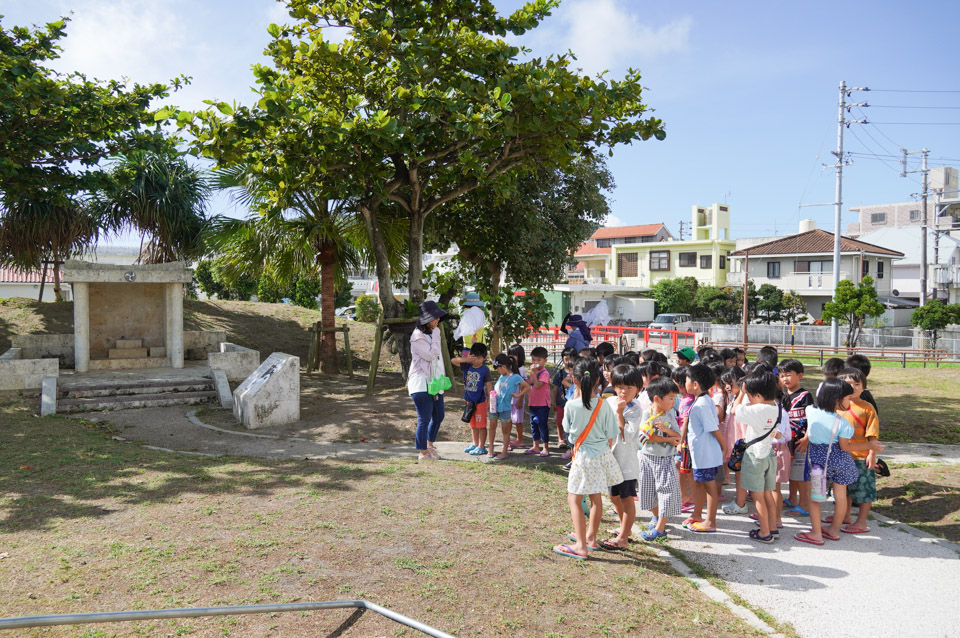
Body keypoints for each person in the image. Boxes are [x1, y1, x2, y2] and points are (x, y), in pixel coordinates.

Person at [793, 378, 883, 546]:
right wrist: (869, 445)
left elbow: (820, 390)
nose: (850, 401)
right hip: (841, 460)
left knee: (815, 498)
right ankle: (834, 530)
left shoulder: (810, 411)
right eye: (847, 398)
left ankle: (816, 533)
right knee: (840, 496)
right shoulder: (843, 422)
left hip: (819, 463)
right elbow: (845, 446)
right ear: (836, 399)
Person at [552, 358, 623, 560]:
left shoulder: (572, 406)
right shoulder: (604, 404)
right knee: (595, 498)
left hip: (584, 456)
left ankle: (581, 545)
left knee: (574, 498)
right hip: (602, 454)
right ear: (598, 379)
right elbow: (611, 433)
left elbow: (568, 432)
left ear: (574, 380)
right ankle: (590, 538)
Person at [733, 370, 784, 543]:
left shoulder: (757, 409)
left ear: (759, 395)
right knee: (768, 494)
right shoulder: (775, 406)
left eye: (750, 395)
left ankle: (764, 532)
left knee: (758, 497)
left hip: (755, 456)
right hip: (769, 455)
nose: (748, 398)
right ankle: (772, 527)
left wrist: (740, 393)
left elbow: (734, 410)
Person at [600, 364, 644, 550]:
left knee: (627, 498)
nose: (623, 392)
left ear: (638, 389)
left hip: (626, 462)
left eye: (629, 388)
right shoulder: (609, 402)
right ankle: (623, 527)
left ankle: (624, 538)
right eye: (620, 387)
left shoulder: (635, 409)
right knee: (613, 495)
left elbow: (625, 434)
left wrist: (619, 413)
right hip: (611, 459)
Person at [834, 367, 881, 534]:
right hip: (840, 456)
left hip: (860, 457)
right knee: (843, 489)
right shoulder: (837, 405)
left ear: (864, 386)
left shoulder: (867, 408)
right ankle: (844, 516)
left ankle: (861, 521)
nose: (852, 387)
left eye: (856, 384)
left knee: (863, 491)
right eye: (848, 384)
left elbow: (872, 434)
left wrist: (872, 454)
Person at [637, 377, 683, 541]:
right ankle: (656, 517)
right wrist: (667, 439)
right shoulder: (646, 413)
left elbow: (678, 437)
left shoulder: (670, 415)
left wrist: (666, 431)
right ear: (657, 398)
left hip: (664, 459)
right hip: (647, 457)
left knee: (666, 492)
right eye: (671, 398)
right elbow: (645, 438)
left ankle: (660, 528)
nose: (674, 402)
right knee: (647, 492)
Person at [683, 364, 726, 533]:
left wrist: (724, 446)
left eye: (686, 380)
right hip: (702, 453)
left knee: (709, 487)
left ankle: (710, 521)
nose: (684, 382)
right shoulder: (704, 400)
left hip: (706, 454)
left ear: (695, 384)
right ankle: (697, 514)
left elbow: (713, 427)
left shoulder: (701, 404)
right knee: (700, 484)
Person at [408, 300, 450, 461]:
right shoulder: (417, 337)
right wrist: (436, 338)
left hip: (435, 381)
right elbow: (431, 355)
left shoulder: (435, 332)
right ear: (427, 319)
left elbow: (436, 356)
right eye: (435, 317)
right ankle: (423, 452)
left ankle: (429, 445)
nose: (438, 320)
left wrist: (436, 336)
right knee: (424, 418)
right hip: (420, 382)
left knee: (439, 415)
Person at [779, 359, 814, 516]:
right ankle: (792, 499)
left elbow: (812, 419)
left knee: (801, 474)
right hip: (788, 442)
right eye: (781, 375)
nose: (785, 379)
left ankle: (805, 504)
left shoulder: (805, 396)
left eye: (788, 375)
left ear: (800, 375)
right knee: (792, 473)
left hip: (801, 442)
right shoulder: (782, 395)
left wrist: (807, 438)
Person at [451, 342, 493, 456]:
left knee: (481, 425)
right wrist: (466, 359)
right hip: (469, 401)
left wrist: (490, 400)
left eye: (479, 358)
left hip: (480, 401)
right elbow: (453, 361)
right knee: (473, 425)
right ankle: (475, 444)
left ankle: (482, 446)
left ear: (484, 358)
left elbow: (489, 385)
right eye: (474, 357)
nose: (476, 360)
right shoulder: (467, 366)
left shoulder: (485, 370)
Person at [488, 354, 529, 460]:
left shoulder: (515, 377)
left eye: (498, 369)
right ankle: (490, 449)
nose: (498, 371)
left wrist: (519, 395)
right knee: (492, 427)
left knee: (506, 430)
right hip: (494, 406)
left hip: (505, 407)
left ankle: (504, 451)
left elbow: (526, 386)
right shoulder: (502, 376)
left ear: (504, 367)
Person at [720, 367, 749, 515]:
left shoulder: (744, 398)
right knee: (738, 473)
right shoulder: (735, 398)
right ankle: (739, 500)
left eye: (729, 383)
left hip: (742, 444)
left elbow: (734, 412)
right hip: (737, 443)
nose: (726, 387)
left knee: (741, 474)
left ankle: (741, 503)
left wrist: (743, 392)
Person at [525, 346, 553, 457]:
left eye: (538, 360)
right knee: (533, 425)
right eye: (533, 360)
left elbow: (537, 385)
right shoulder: (534, 372)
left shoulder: (544, 373)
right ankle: (535, 446)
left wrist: (534, 374)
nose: (536, 362)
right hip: (533, 403)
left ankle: (545, 447)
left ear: (545, 361)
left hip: (542, 404)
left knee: (542, 425)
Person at [553, 347, 577, 455]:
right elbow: (555, 387)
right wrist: (554, 401)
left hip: (573, 403)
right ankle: (560, 438)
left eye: (571, 359)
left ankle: (569, 440)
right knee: (559, 421)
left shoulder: (578, 373)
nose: (568, 362)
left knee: (571, 422)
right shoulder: (560, 373)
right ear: (562, 359)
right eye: (566, 359)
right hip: (561, 402)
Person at [507, 344, 529, 449]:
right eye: (510, 354)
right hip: (509, 400)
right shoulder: (508, 369)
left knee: (518, 421)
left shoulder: (521, 369)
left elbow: (523, 386)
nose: (512, 357)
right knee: (508, 420)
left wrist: (520, 399)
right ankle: (507, 440)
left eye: (515, 355)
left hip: (517, 400)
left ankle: (520, 439)